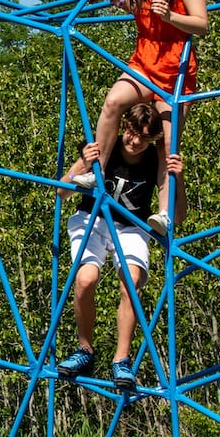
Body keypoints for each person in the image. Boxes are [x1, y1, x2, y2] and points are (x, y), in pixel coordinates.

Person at [57, 101, 185, 389]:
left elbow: (177, 216)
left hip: (132, 225)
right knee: (86, 278)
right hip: (92, 218)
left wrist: (179, 177)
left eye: (144, 137)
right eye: (131, 132)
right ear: (124, 126)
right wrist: (83, 164)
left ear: (153, 139)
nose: (135, 141)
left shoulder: (156, 160)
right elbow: (62, 190)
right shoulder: (106, 145)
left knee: (132, 280)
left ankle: (121, 360)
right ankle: (85, 350)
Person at [76, 0, 207, 186]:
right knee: (113, 102)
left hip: (174, 69)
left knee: (167, 144)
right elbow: (138, 9)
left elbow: (202, 24)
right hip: (144, 62)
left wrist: (171, 16)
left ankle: (164, 211)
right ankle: (96, 172)